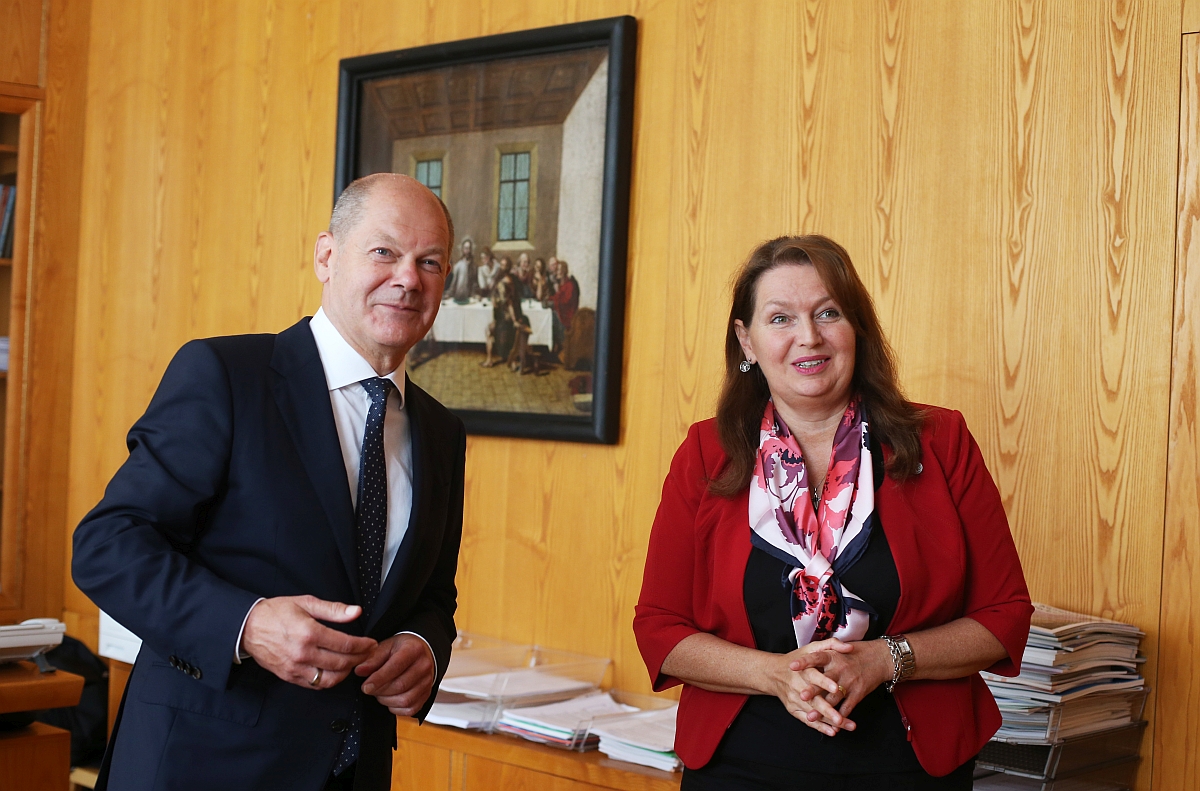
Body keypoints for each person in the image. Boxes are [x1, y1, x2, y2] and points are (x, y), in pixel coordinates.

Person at [72, 173, 467, 791]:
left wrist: (425, 645)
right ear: (327, 257)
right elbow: (107, 546)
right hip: (200, 766)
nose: (408, 278)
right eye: (384, 251)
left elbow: (433, 592)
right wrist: (247, 624)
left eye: (430, 262)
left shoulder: (441, 433)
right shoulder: (227, 376)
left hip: (353, 770)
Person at [633, 235, 1032, 790]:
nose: (809, 337)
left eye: (828, 313)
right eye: (780, 318)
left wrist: (885, 659)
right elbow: (660, 627)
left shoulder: (941, 442)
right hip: (740, 766)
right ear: (747, 341)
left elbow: (1003, 616)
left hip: (909, 769)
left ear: (857, 328)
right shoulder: (706, 454)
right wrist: (773, 675)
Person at [549, 260, 579, 358]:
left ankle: (562, 348)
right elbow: (557, 298)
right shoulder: (562, 284)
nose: (556, 272)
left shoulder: (569, 285)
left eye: (558, 270)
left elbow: (565, 302)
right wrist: (549, 299)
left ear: (563, 271)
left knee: (551, 316)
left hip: (567, 317)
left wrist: (557, 293)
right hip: (562, 314)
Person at [446, 237, 474, 302]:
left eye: (469, 248)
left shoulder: (474, 266)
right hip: (458, 297)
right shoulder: (458, 265)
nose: (468, 251)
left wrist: (475, 294)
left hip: (470, 298)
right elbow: (454, 283)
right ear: (462, 249)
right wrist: (449, 294)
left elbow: (475, 284)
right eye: (466, 248)